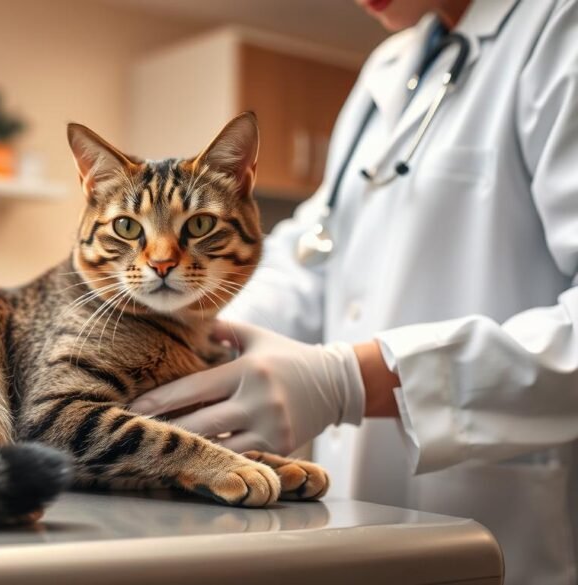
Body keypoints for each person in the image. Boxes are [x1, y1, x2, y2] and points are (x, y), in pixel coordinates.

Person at [130, 1, 578, 583]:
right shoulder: (389, 69)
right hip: (365, 527)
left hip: (507, 527)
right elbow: (311, 257)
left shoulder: (558, 29)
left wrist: (350, 380)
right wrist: (182, 333)